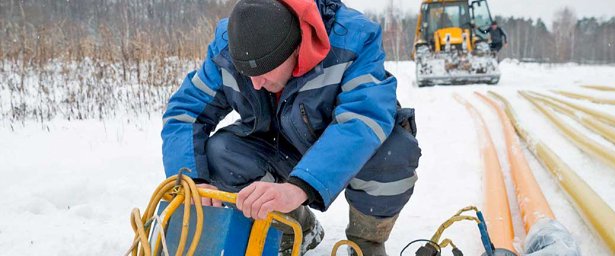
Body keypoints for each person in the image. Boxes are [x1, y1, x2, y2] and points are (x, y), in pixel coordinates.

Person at [160, 0, 421, 255]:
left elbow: (362, 118)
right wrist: (195, 180)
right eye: (247, 74)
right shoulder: (231, 45)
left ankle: (366, 242)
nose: (257, 84)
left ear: (296, 48)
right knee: (220, 152)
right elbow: (185, 112)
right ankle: (295, 226)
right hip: (277, 145)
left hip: (344, 148)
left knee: (394, 149)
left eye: (265, 72)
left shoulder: (354, 39)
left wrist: (300, 187)